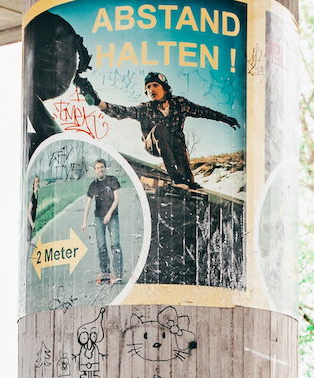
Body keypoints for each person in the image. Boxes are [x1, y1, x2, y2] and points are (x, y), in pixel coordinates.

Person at [85, 72, 239, 189]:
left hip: (175, 145)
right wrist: (99, 103)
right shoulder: (145, 109)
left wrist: (226, 119)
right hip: (153, 144)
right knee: (161, 129)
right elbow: (123, 111)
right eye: (148, 87)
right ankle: (176, 178)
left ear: (164, 88)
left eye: (155, 85)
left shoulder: (180, 104)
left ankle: (188, 180)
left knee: (177, 138)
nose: (151, 89)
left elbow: (204, 111)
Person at [82, 159, 124, 285]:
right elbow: (88, 204)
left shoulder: (112, 180)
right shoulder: (93, 185)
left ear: (105, 168)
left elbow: (117, 199)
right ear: (95, 170)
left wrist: (109, 214)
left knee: (115, 244)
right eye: (98, 168)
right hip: (98, 218)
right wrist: (84, 221)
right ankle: (105, 272)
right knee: (101, 246)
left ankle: (118, 275)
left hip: (112, 216)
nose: (100, 169)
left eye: (102, 167)